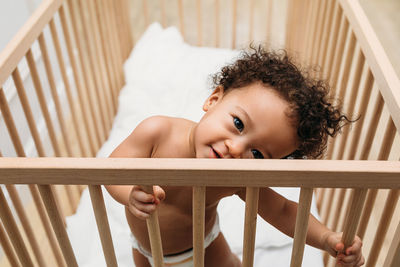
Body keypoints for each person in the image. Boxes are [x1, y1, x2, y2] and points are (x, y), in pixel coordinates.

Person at [105, 46, 364, 267]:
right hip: (146, 251)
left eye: (258, 154)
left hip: (205, 247)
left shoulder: (238, 175)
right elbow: (111, 170)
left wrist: (328, 239)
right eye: (238, 124)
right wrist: (129, 193)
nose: (237, 149)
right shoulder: (158, 132)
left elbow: (284, 211)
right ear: (213, 99)